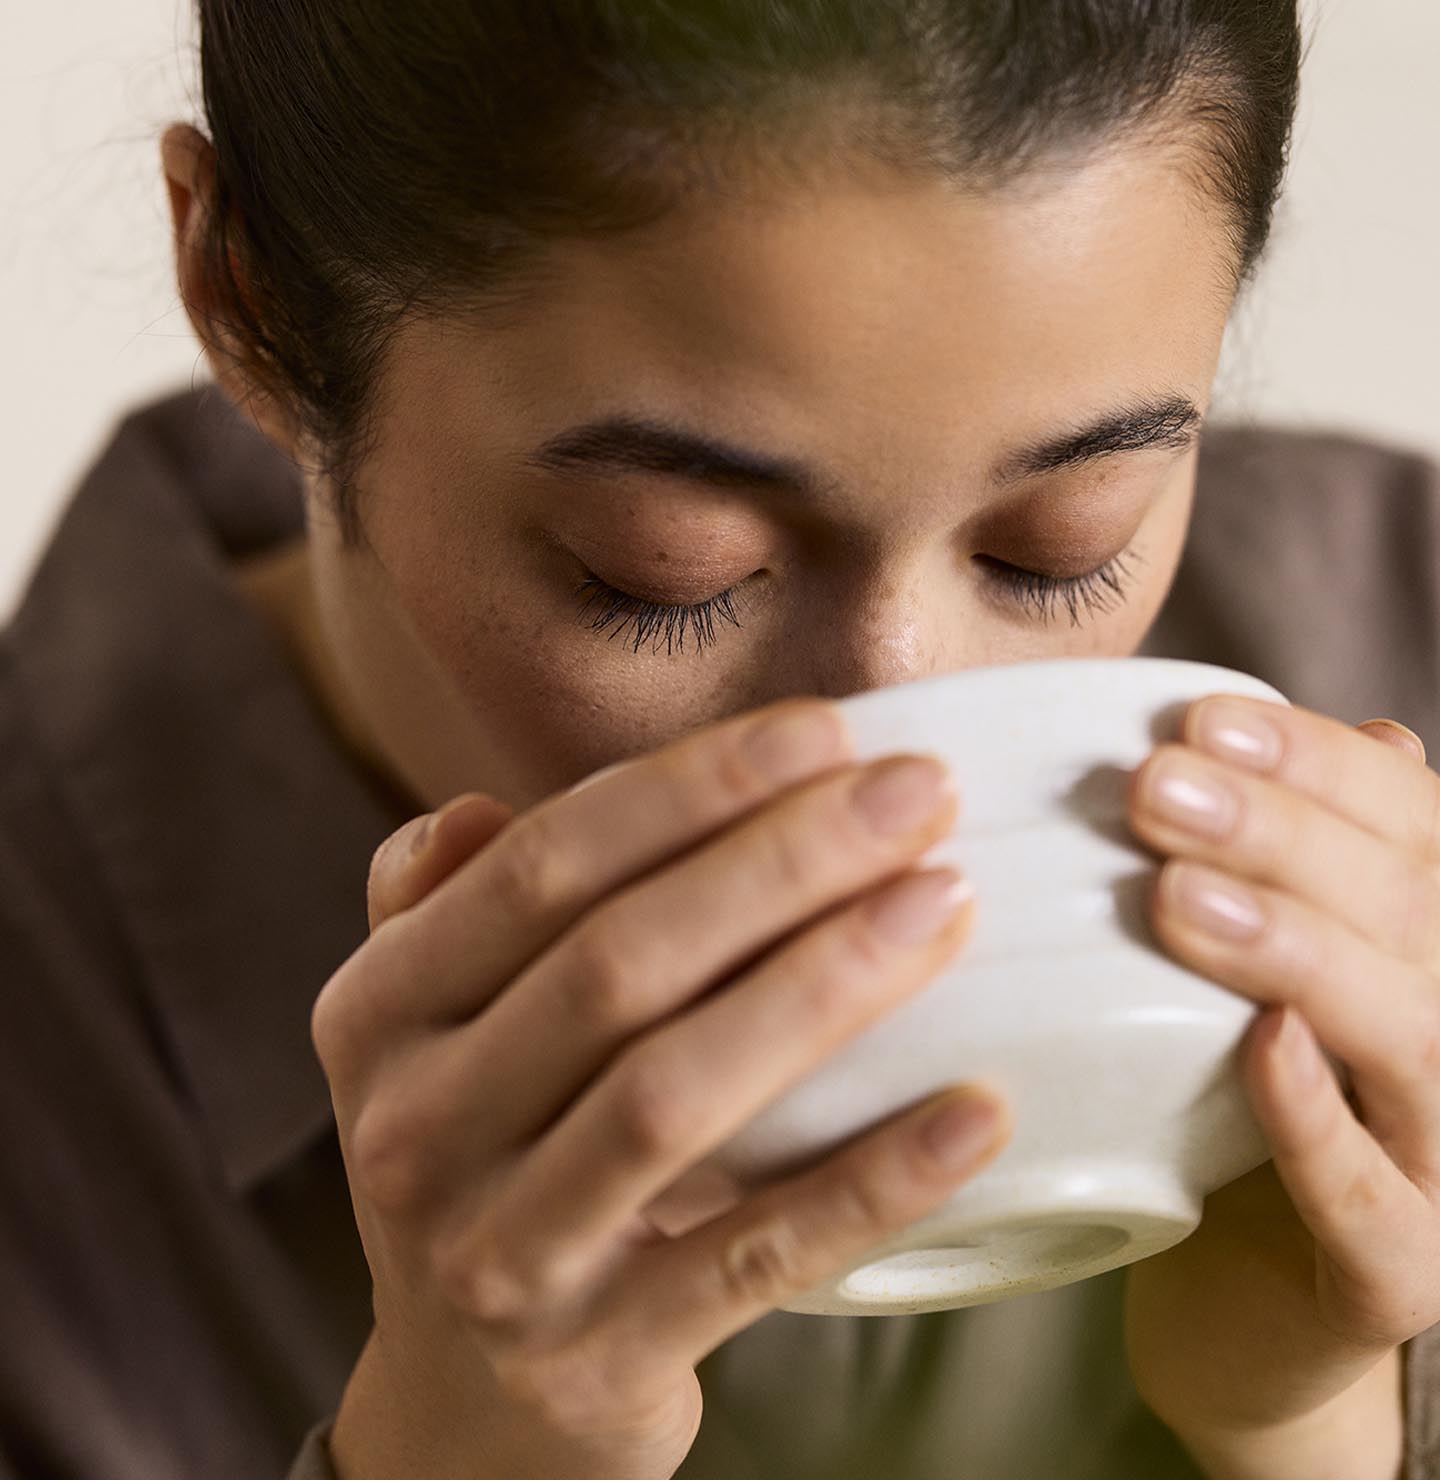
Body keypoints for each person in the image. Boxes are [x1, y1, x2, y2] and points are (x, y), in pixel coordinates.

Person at [4, 1, 1440, 1477]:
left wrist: (1314, 1426)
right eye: (662, 570)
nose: (898, 753)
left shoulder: (1404, 633)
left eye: (1065, 549)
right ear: (253, 300)